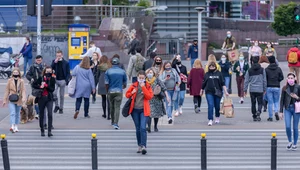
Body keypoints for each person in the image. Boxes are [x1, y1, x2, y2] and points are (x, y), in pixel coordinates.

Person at [125, 70, 153, 155]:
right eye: (139, 78)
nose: (141, 79)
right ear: (137, 78)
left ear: (145, 78)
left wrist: (143, 87)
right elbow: (127, 94)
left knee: (143, 128)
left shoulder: (147, 86)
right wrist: (132, 92)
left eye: (142, 78)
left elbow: (149, 96)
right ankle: (139, 145)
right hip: (134, 110)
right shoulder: (134, 85)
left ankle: (144, 146)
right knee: (138, 128)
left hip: (143, 110)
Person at [201, 62, 229, 126]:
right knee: (210, 105)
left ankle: (217, 116)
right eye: (210, 66)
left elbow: (223, 83)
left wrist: (226, 92)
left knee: (217, 105)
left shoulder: (219, 74)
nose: (211, 68)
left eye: (213, 66)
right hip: (209, 92)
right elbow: (203, 83)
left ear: (215, 67)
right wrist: (201, 90)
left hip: (218, 92)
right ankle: (210, 119)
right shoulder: (207, 74)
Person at [32, 67, 55, 137]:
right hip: (41, 98)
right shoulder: (41, 78)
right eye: (47, 71)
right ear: (44, 72)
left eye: (50, 72)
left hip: (49, 98)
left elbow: (52, 89)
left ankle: (49, 131)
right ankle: (42, 130)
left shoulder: (52, 79)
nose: (48, 73)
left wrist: (46, 86)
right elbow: (34, 85)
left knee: (50, 114)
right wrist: (40, 86)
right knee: (41, 114)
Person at [105, 57, 127, 129]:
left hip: (110, 91)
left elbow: (106, 83)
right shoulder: (122, 72)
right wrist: (123, 87)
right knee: (117, 107)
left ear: (112, 63)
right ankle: (116, 123)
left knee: (111, 107)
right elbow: (125, 83)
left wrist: (107, 90)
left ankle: (112, 121)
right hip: (119, 91)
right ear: (118, 63)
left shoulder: (108, 71)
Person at [279, 73, 300, 151]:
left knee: (295, 127)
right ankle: (290, 141)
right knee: (288, 126)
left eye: (292, 78)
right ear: (287, 79)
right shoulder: (285, 88)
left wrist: (297, 97)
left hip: (296, 109)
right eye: (289, 78)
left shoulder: (298, 87)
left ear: (295, 79)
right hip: (287, 108)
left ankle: (294, 143)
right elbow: (282, 100)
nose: (290, 79)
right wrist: (281, 111)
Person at [145, 68, 169, 133]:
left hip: (156, 99)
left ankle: (155, 126)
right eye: (148, 72)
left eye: (151, 72)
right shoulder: (145, 81)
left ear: (153, 74)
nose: (150, 74)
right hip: (148, 100)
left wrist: (167, 96)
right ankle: (149, 127)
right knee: (149, 114)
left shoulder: (157, 80)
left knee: (156, 114)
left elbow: (164, 88)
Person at [3, 68, 26, 133]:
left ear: (19, 73)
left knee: (17, 113)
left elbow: (23, 90)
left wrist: (24, 98)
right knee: (12, 113)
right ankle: (12, 125)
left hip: (19, 99)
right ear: (12, 73)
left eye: (17, 73)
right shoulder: (9, 80)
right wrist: (4, 99)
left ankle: (16, 126)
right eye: (14, 72)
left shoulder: (21, 81)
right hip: (11, 98)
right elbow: (7, 90)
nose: (15, 74)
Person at [244, 56, 267, 122]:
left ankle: (254, 115)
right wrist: (264, 88)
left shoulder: (249, 70)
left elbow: (246, 81)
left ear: (252, 61)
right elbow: (264, 80)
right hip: (260, 89)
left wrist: (245, 90)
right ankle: (259, 112)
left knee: (253, 103)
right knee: (260, 102)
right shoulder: (262, 70)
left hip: (252, 89)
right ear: (258, 61)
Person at [266, 56, 284, 121]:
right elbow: (282, 77)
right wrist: (278, 80)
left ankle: (270, 116)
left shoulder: (266, 69)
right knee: (276, 101)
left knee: (270, 102)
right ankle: (276, 111)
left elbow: (265, 78)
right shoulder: (278, 69)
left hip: (269, 86)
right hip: (276, 86)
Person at [26, 55, 44, 119]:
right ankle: (38, 112)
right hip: (34, 85)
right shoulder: (32, 67)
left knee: (41, 99)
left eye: (40, 60)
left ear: (41, 60)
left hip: (42, 85)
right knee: (36, 99)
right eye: (37, 60)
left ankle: (41, 111)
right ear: (35, 60)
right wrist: (31, 79)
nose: (39, 61)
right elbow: (27, 75)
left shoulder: (43, 67)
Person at [96, 55, 111, 120]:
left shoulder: (99, 67)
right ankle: (109, 115)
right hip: (108, 83)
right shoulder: (110, 67)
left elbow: (97, 76)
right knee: (109, 100)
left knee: (103, 99)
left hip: (102, 83)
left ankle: (104, 113)